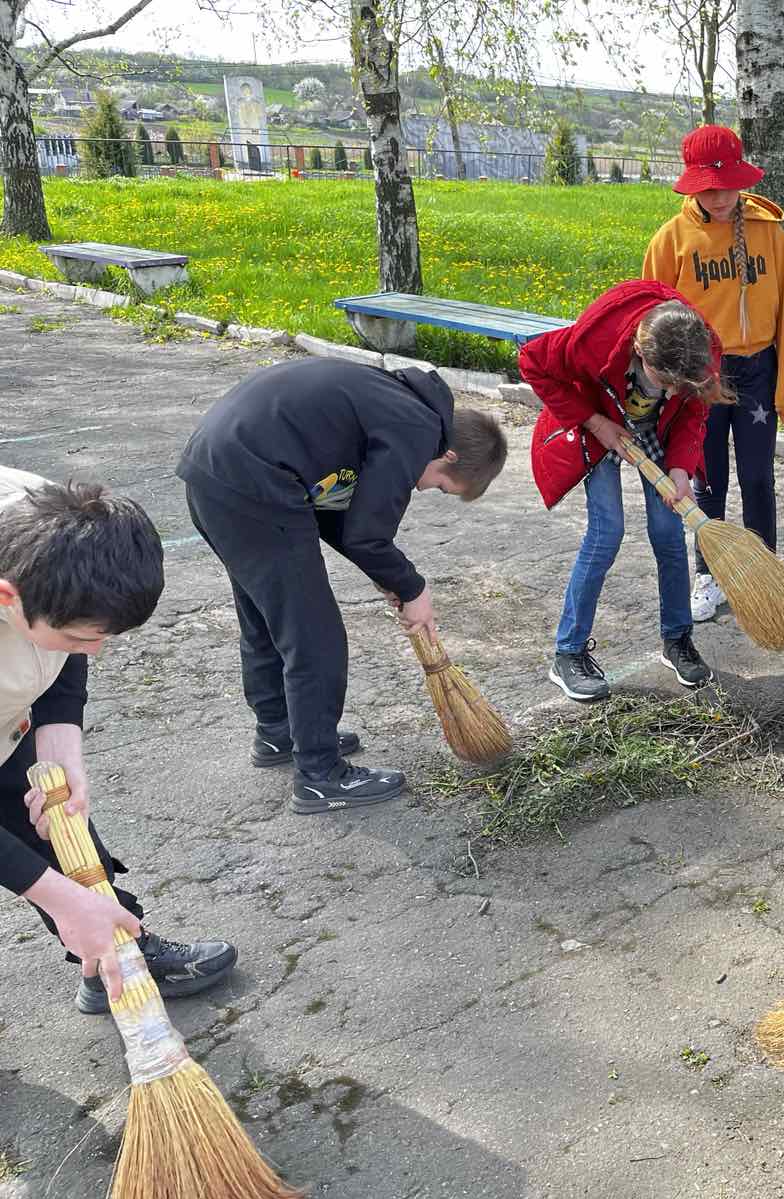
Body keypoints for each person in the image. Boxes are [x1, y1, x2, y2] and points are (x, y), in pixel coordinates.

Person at [177, 359, 508, 814]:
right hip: (254, 484)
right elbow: (366, 534)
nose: (425, 489)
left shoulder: (395, 403)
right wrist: (413, 588)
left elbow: (337, 517)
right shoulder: (417, 429)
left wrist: (388, 576)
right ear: (448, 456)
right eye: (440, 486)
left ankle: (280, 732)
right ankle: (320, 776)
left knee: (268, 620)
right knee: (316, 637)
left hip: (216, 475)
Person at [2, 468, 238, 1013]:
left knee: (64, 839)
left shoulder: (54, 526)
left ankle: (115, 954)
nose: (95, 651)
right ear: (7, 596)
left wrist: (60, 739)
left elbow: (72, 636)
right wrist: (58, 898)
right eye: (79, 637)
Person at [519, 280, 723, 702]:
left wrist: (681, 468)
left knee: (668, 533)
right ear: (639, 351)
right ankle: (568, 653)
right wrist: (596, 424)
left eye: (678, 385)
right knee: (606, 532)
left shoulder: (700, 348)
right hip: (600, 421)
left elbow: (694, 411)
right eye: (664, 380)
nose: (671, 391)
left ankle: (677, 639)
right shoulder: (597, 337)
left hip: (658, 432)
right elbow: (532, 360)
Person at [642, 125, 784, 623]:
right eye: (708, 187)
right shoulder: (670, 240)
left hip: (757, 370)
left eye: (728, 185)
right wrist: (661, 387)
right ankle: (709, 575)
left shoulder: (769, 232)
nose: (719, 197)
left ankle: (763, 575)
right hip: (700, 377)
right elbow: (649, 318)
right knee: (708, 481)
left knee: (758, 478)